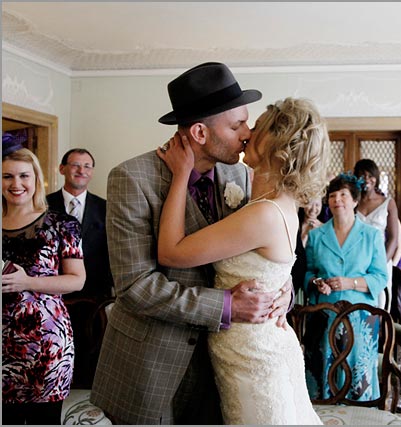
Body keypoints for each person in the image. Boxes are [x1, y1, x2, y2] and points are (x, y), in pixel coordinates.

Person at [90, 62, 292, 425]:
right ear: (199, 132)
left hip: (223, 367)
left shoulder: (242, 175)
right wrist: (227, 306)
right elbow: (135, 287)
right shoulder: (130, 179)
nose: (248, 133)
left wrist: (281, 288)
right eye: (236, 125)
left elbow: (260, 246)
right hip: (149, 367)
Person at [156, 97, 328, 424]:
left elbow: (171, 252)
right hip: (250, 349)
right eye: (242, 125)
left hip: (254, 359)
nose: (247, 132)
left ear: (276, 145)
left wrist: (181, 175)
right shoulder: (271, 200)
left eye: (256, 127)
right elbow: (273, 268)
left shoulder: (265, 213)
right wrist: (284, 289)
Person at [2, 136, 86, 425]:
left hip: (46, 345)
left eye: (24, 175)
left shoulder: (62, 224)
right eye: (7, 176)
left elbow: (76, 280)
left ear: (36, 179)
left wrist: (28, 283)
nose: (16, 183)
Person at [304, 173, 388, 401]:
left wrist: (350, 283)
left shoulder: (372, 236)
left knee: (356, 378)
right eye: (332, 195)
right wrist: (316, 283)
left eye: (343, 194)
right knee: (322, 374)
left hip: (359, 315)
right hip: (324, 314)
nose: (337, 199)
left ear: (354, 200)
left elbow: (381, 278)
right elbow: (308, 273)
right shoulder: (316, 236)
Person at [47, 148, 113, 299]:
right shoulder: (42, 206)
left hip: (95, 294)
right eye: (75, 165)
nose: (81, 170)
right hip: (51, 292)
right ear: (62, 169)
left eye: (87, 166)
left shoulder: (106, 207)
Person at [354, 158, 400, 309]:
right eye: (362, 175)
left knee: (380, 304)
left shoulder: (388, 203)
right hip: (356, 260)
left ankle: (381, 332)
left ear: (376, 178)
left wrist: (380, 264)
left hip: (381, 259)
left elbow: (393, 238)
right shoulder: (353, 202)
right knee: (357, 301)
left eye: (370, 175)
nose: (366, 179)